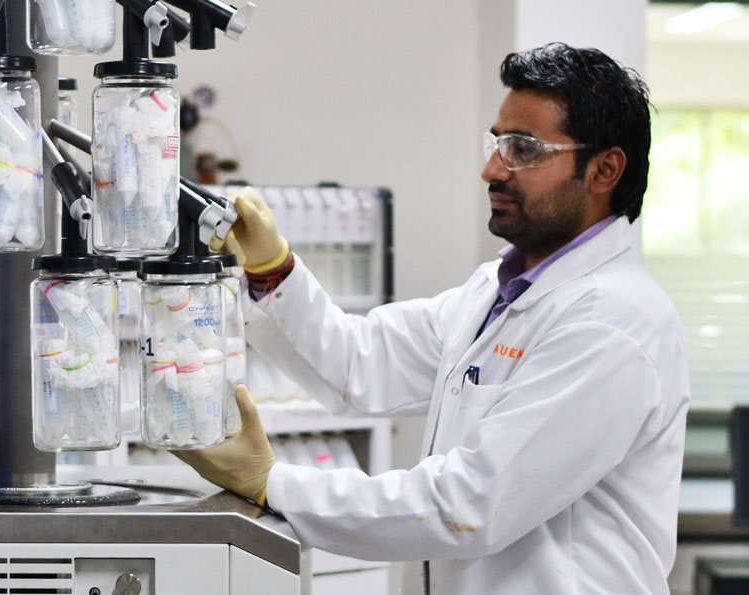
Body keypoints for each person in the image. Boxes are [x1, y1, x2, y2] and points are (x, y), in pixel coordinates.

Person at [173, 43, 690, 594]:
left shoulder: (612, 322)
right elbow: (360, 363)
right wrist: (273, 271)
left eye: (523, 149)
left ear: (605, 169)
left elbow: (468, 505)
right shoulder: (496, 291)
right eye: (496, 143)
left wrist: (273, 484)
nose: (492, 169)